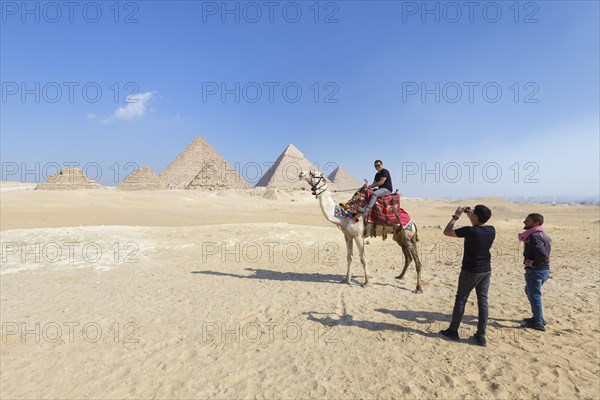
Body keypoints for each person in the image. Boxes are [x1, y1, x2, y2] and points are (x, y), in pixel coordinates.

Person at [440, 205, 495, 347]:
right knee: (483, 302)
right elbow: (478, 224)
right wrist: (472, 215)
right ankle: (481, 335)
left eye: (473, 213)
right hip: (486, 270)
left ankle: (453, 331)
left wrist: (456, 216)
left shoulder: (470, 231)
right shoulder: (491, 230)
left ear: (476, 216)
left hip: (470, 271)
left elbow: (447, 232)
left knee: (461, 299)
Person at [519, 213, 551, 332]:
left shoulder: (534, 236)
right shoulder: (543, 235)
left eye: (527, 221)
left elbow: (542, 254)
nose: (524, 222)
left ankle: (538, 322)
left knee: (534, 295)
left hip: (536, 270)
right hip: (543, 270)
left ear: (536, 223)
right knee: (529, 290)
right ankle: (537, 317)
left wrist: (532, 264)